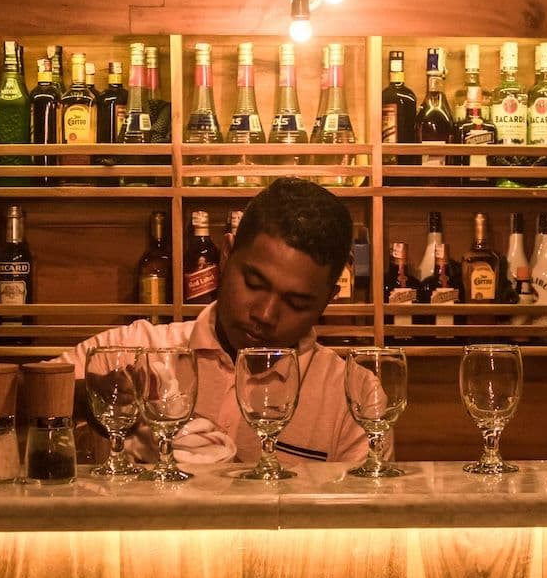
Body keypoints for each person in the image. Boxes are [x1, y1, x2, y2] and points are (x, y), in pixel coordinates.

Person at [61, 177, 382, 468]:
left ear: (327, 300)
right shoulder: (140, 347)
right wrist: (88, 399)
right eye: (254, 283)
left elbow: (361, 521)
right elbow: (19, 401)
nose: (266, 314)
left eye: (296, 302)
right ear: (226, 255)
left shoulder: (355, 395)